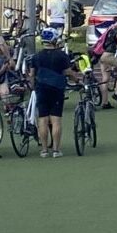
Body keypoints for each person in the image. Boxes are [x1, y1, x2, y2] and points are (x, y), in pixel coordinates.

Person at [30, 28, 76, 158]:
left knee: (42, 119)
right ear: (54, 40)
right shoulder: (62, 55)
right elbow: (68, 72)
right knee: (56, 120)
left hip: (41, 89)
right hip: (56, 89)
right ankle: (56, 150)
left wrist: (33, 87)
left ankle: (44, 150)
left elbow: (32, 74)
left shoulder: (36, 56)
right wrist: (77, 78)